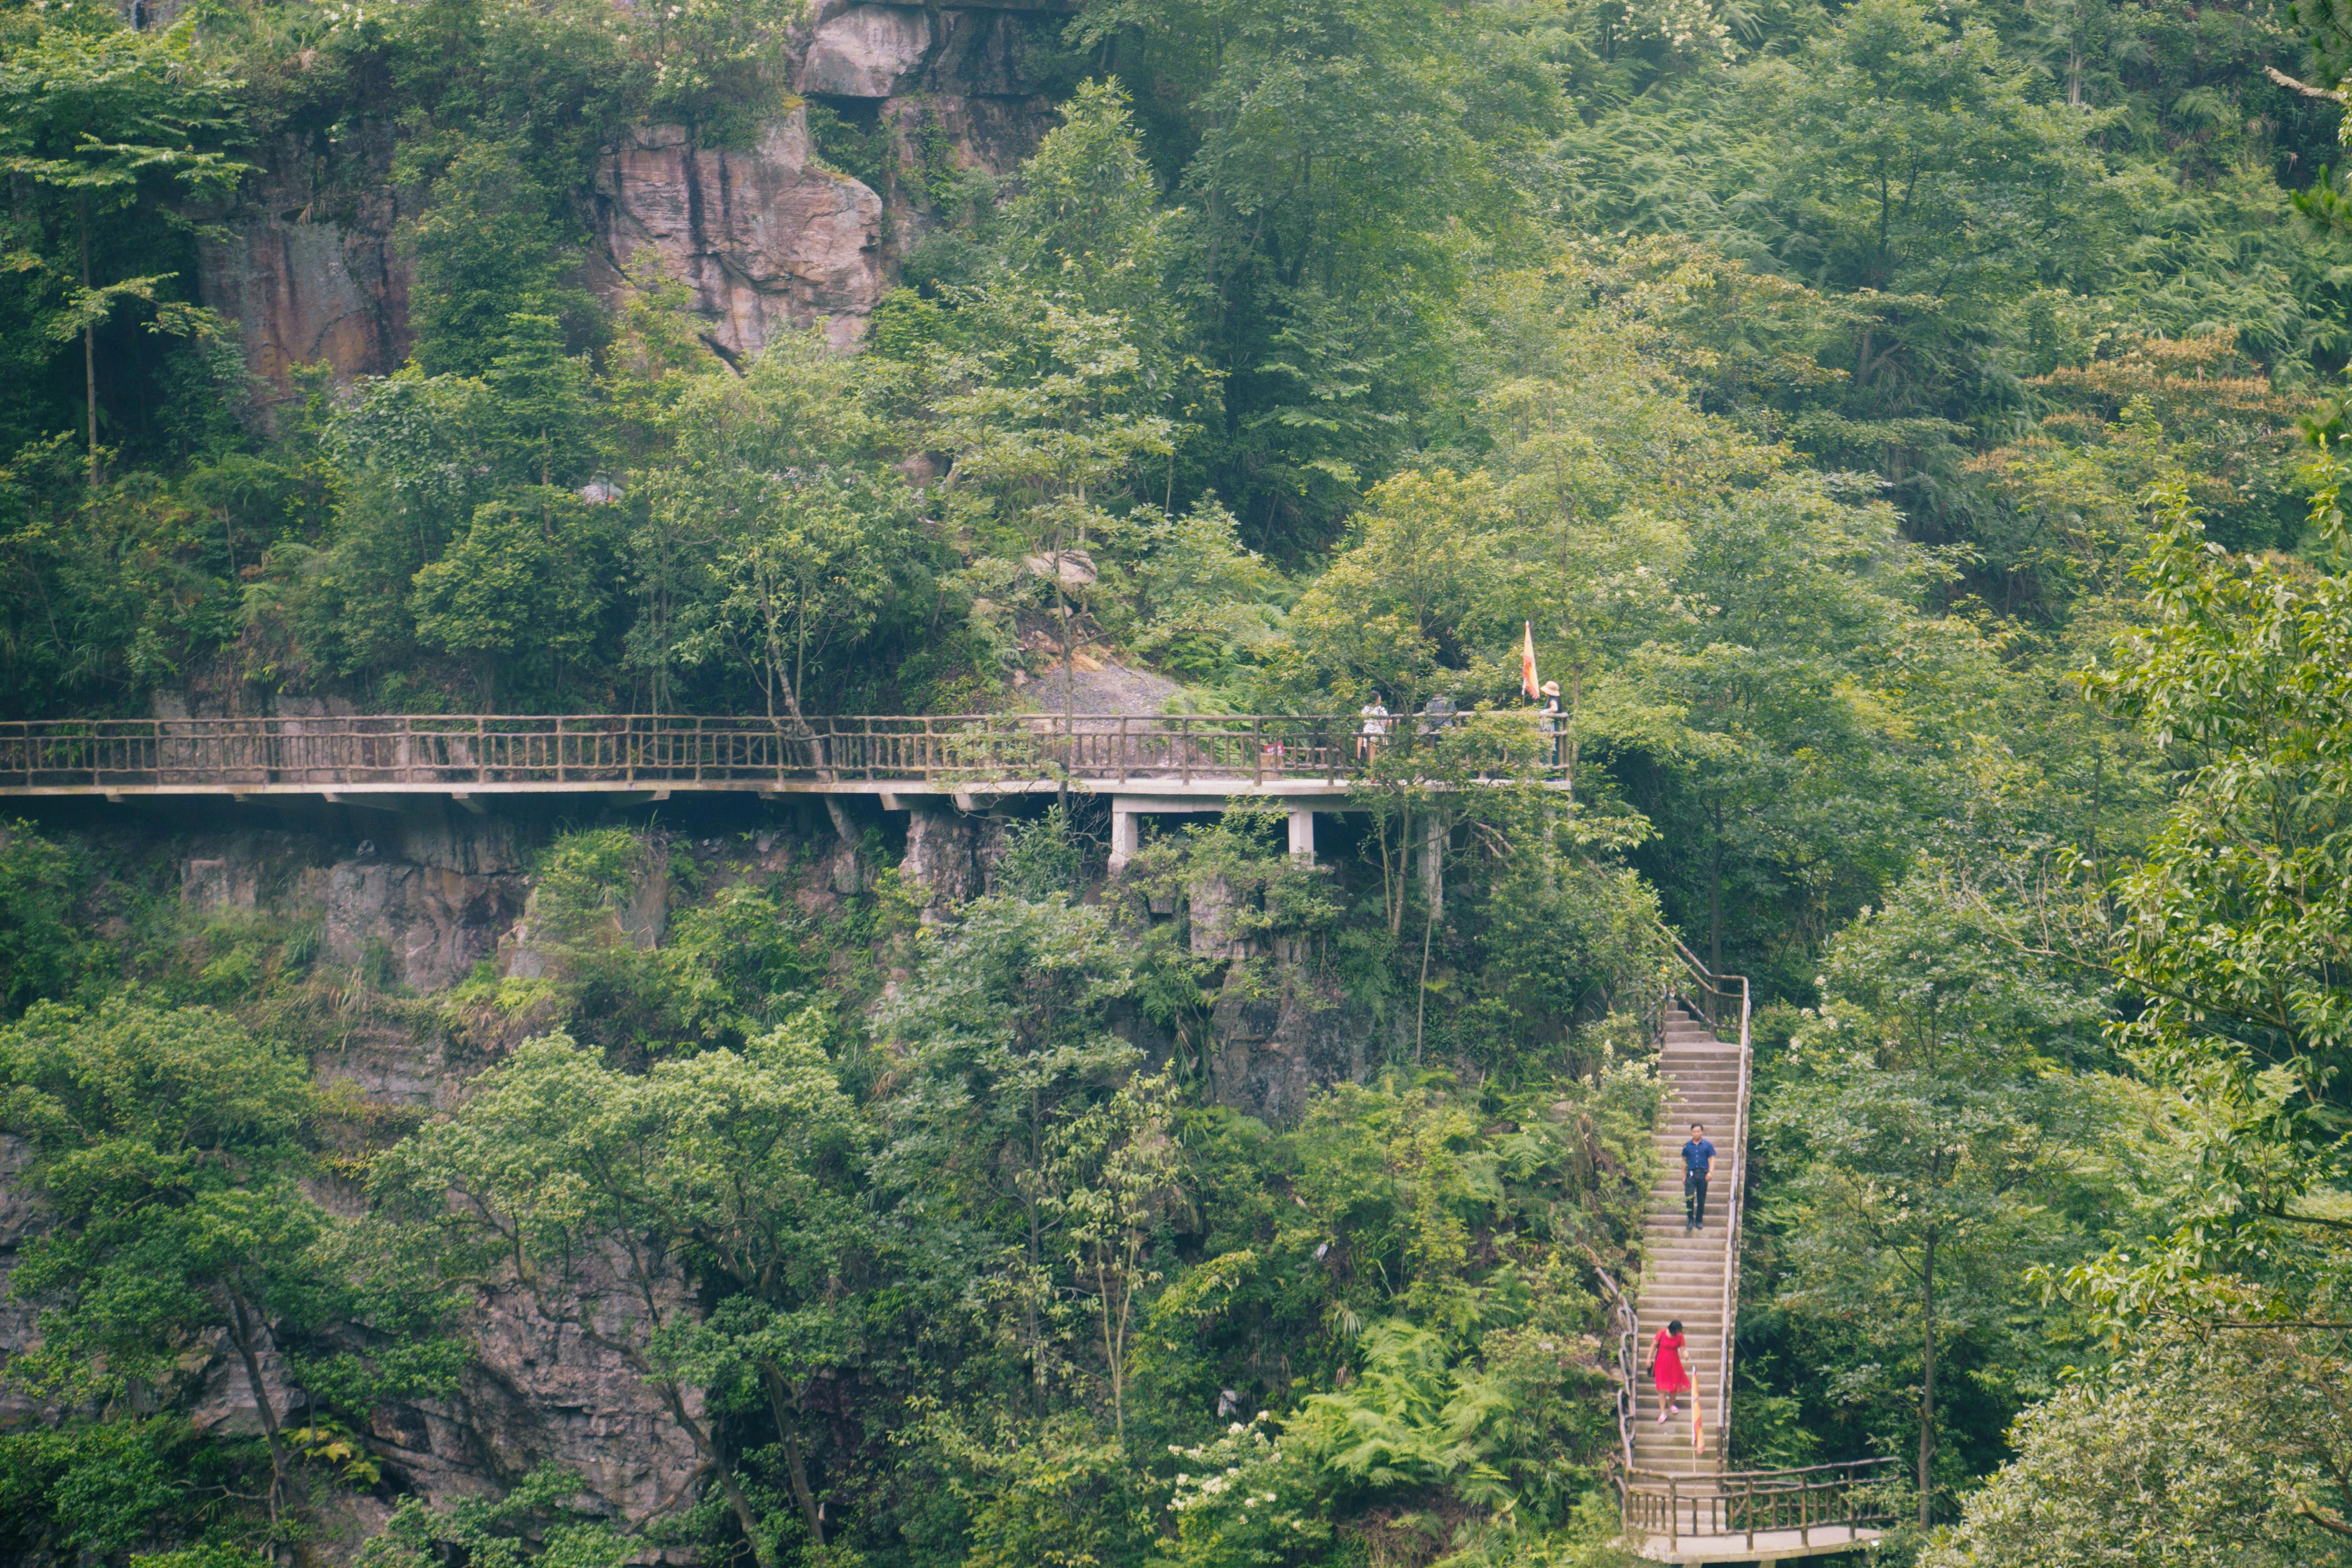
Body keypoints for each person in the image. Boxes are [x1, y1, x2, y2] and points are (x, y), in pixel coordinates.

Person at [1649, 1318, 1691, 1423]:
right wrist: (1648, 1358)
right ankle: (1663, 1412)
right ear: (1672, 1329)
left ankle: (1671, 1404)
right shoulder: (1662, 1333)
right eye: (1676, 1332)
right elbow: (1654, 1346)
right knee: (1662, 1389)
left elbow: (1683, 1349)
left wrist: (1686, 1355)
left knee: (1674, 1387)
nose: (1678, 1333)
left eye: (1679, 1332)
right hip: (1661, 1363)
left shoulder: (1680, 1337)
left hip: (1674, 1363)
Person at [1683, 1122, 1716, 1230]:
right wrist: (1683, 1176)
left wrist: (1710, 1172)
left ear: (1702, 1132)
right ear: (1691, 1132)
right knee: (1689, 1197)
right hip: (1691, 1175)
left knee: (1701, 1199)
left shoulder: (1708, 1145)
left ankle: (1699, 1220)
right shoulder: (1687, 1146)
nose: (1696, 1134)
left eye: (1698, 1132)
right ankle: (1690, 1219)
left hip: (1703, 1174)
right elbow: (1684, 1161)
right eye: (1694, 1132)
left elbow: (1712, 1159)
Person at [1539, 680, 1564, 769]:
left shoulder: (1553, 700)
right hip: (1554, 725)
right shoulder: (1556, 699)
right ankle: (1553, 774)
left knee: (1551, 750)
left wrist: (1544, 712)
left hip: (1552, 726)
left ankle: (1551, 774)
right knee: (1553, 750)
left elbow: (1554, 709)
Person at [1358, 697, 1389, 761]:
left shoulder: (1365, 710)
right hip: (1379, 735)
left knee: (1371, 760)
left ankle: (1371, 770)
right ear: (1377, 699)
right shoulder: (1381, 709)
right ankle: (1382, 771)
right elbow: (1385, 721)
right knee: (1384, 757)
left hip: (1368, 736)